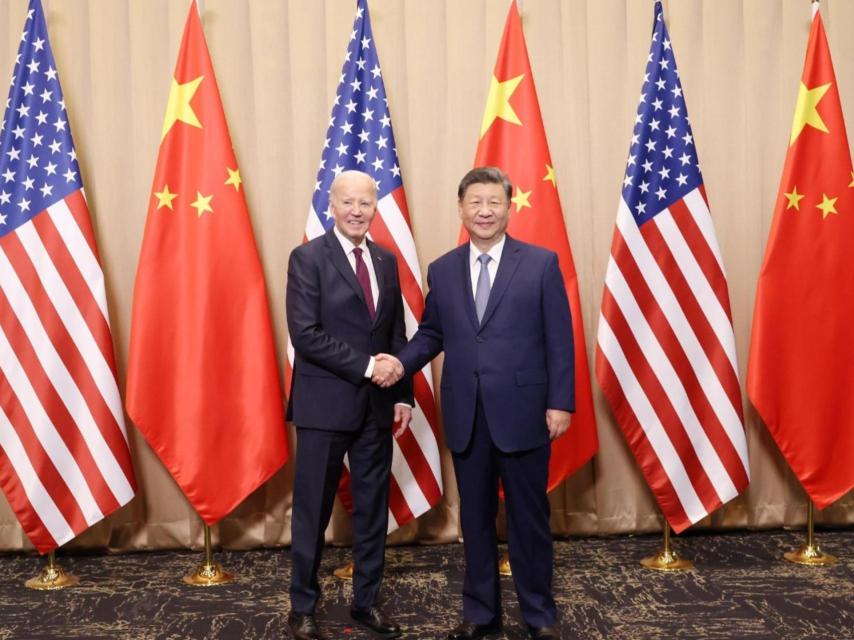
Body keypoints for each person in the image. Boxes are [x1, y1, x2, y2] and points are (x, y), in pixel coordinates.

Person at [378, 167, 572, 640]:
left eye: (494, 203)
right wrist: (399, 365)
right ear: (461, 208)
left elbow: (560, 340)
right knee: (475, 518)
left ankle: (539, 615)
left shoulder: (541, 264)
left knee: (528, 518)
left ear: (510, 207)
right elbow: (432, 334)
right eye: (475, 203)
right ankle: (481, 611)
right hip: (467, 414)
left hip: (526, 412)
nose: (485, 211)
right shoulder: (443, 269)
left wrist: (560, 402)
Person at [286, 170, 410, 640]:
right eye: (348, 202)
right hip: (324, 406)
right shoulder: (308, 258)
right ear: (331, 206)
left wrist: (402, 394)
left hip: (377, 408)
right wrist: (366, 367)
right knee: (312, 511)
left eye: (366, 203)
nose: (358, 211)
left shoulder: (386, 260)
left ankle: (365, 603)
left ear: (376, 207)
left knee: (373, 509)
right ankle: (303, 606)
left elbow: (394, 334)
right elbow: (307, 336)